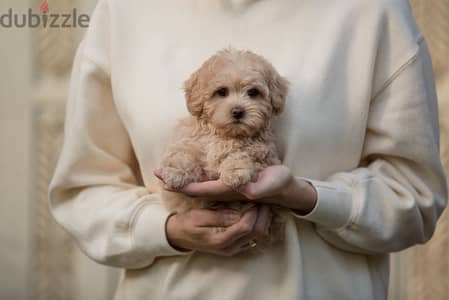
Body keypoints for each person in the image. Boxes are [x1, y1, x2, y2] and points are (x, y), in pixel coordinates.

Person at [49, 0, 448, 299]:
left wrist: (309, 198)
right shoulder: (123, 11)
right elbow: (84, 191)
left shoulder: (373, 11)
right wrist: (167, 230)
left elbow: (413, 193)